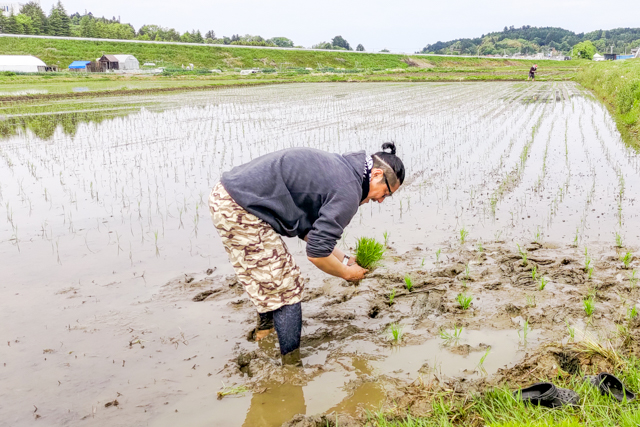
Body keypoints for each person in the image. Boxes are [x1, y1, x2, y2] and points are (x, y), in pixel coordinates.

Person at [209, 143, 405, 365]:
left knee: (268, 276)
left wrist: (345, 259)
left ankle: (266, 332)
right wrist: (347, 274)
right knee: (287, 289)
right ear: (377, 174)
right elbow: (316, 253)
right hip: (240, 208)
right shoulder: (348, 190)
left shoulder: (345, 170)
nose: (380, 200)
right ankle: (291, 368)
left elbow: (312, 232)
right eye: (386, 193)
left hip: (229, 196)